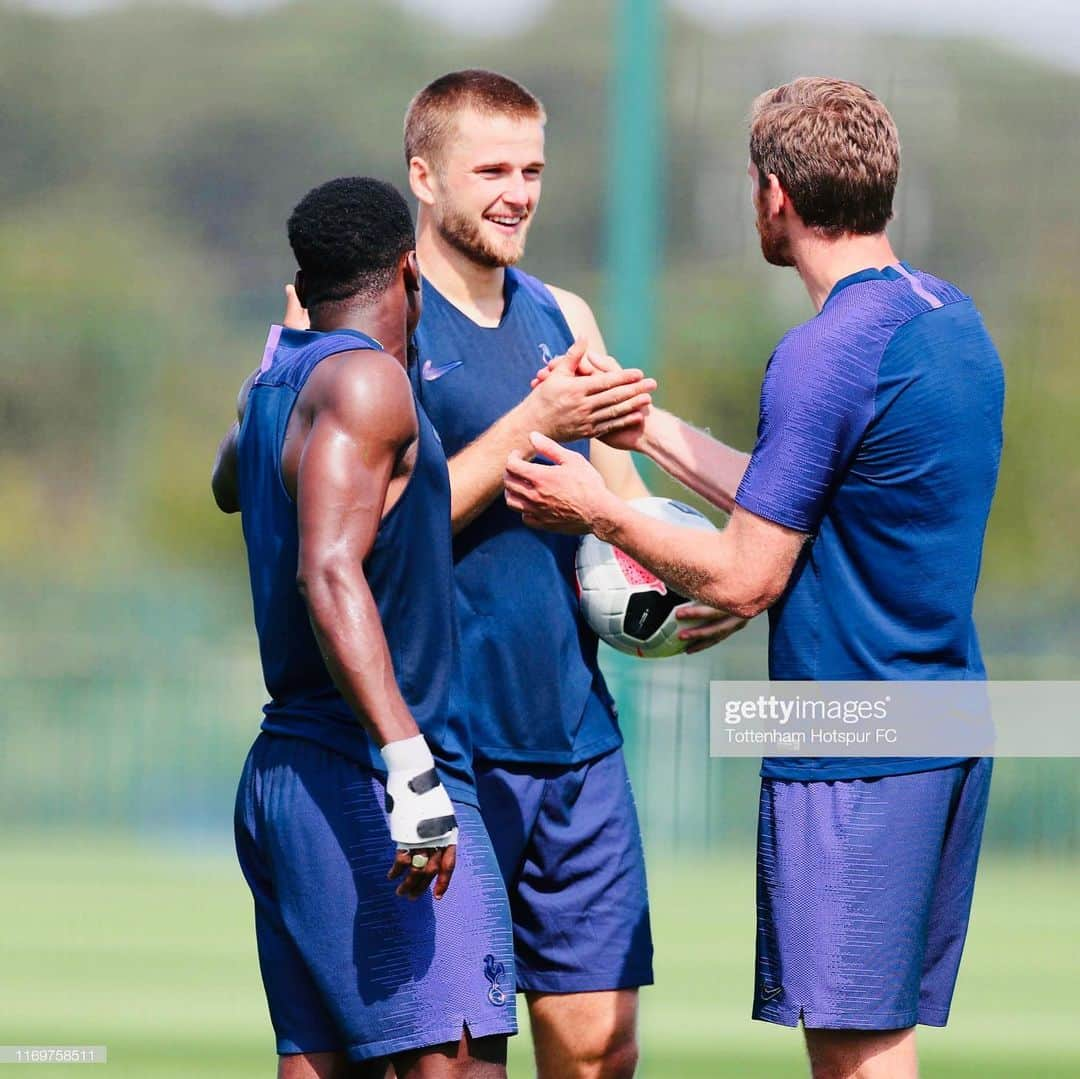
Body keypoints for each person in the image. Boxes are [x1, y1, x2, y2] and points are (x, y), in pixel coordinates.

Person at [506, 77, 1004, 1079]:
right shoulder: (947, 318)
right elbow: (805, 496)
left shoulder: (825, 352)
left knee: (856, 1049)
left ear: (774, 195)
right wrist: (638, 428)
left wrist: (599, 510)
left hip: (857, 734)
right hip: (947, 715)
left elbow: (742, 574)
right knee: (880, 1031)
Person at [284, 69, 745, 1079]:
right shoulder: (373, 334)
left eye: (532, 168)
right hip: (445, 743)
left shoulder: (563, 316)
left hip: (574, 739)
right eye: (491, 167)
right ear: (424, 175)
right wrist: (530, 426)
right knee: (455, 1055)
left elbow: (617, 512)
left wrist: (694, 585)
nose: (518, 191)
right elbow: (365, 535)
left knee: (600, 1045)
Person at [212, 176, 517, 1079]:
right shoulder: (368, 378)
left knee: (321, 1063)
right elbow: (327, 569)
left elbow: (230, 481)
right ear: (408, 271)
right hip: (369, 768)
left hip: (286, 771)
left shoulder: (276, 381)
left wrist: (285, 347)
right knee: (457, 1060)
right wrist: (409, 767)